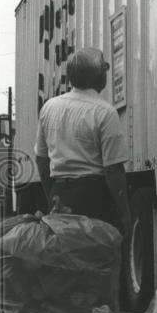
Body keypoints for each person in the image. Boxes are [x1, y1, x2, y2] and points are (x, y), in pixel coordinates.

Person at [34, 47, 131, 235]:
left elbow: (41, 159)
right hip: (94, 199)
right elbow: (113, 169)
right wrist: (125, 213)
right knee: (98, 257)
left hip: (59, 195)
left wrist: (52, 195)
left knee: (63, 257)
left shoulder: (49, 107)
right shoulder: (105, 112)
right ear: (100, 76)